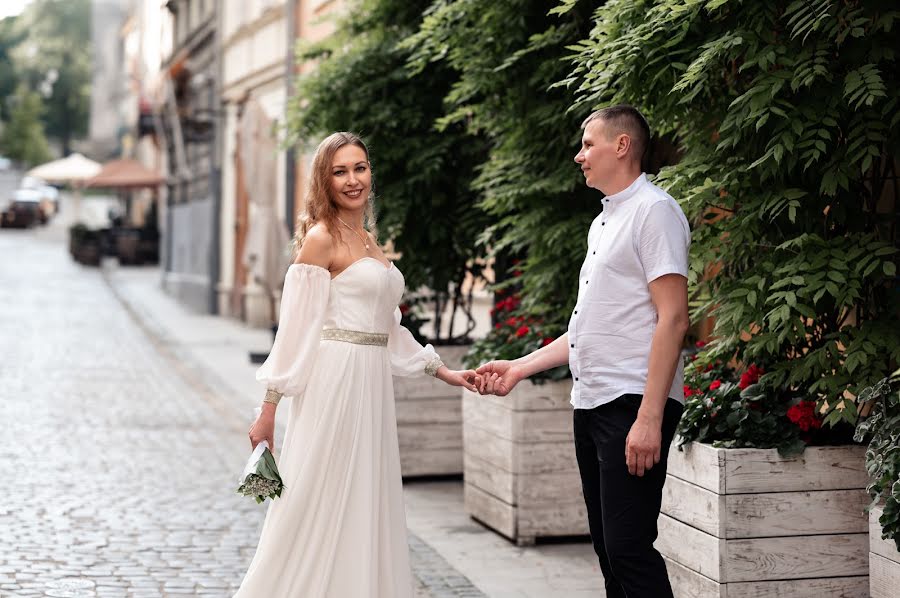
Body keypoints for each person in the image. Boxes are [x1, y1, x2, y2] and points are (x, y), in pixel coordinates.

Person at [235, 132, 480, 597]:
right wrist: (268, 410)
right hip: (334, 383)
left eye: (360, 168)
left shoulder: (368, 240)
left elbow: (386, 329)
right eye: (340, 171)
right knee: (317, 497)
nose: (353, 180)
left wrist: (444, 372)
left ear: (371, 172)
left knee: (364, 499)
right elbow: (294, 332)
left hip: (371, 387)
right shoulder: (320, 239)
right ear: (324, 181)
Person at [476, 105, 690, 597]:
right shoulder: (604, 222)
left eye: (588, 144)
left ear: (622, 146)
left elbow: (674, 318)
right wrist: (520, 367)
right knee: (608, 550)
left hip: (631, 402)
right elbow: (587, 330)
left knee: (629, 549)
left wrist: (649, 417)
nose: (579, 156)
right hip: (591, 402)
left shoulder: (654, 211)